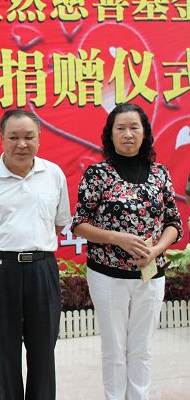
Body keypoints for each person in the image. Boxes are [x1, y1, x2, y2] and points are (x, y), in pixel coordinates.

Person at [72, 103, 182, 400]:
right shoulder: (98, 174)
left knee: (142, 349)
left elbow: (173, 223)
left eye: (134, 127)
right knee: (115, 349)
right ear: (110, 135)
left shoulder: (160, 173)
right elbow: (79, 224)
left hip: (151, 274)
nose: (128, 134)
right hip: (107, 276)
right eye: (120, 128)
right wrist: (117, 238)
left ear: (145, 133)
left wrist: (156, 249)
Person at [0, 109, 71, 400]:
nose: (21, 144)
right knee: (3, 353)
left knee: (44, 352)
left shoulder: (53, 174)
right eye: (13, 137)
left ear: (39, 138)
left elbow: (59, 222)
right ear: (1, 139)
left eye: (29, 137)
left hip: (42, 269)